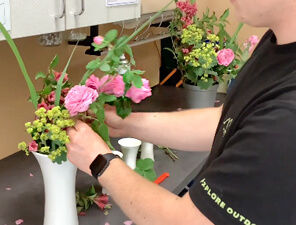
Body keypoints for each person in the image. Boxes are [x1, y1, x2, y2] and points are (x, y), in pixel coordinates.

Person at [66, 0, 296, 224]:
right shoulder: (279, 43)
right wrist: (127, 124)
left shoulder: (288, 116)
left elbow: (190, 221)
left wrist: (99, 161)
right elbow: (226, 121)